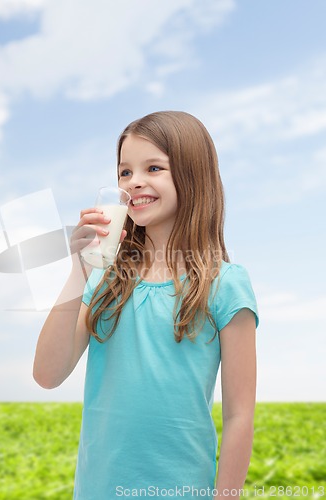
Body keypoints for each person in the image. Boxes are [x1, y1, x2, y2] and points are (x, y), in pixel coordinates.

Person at [33, 111, 259, 500]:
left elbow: (239, 417)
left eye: (153, 167)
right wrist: (78, 271)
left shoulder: (225, 284)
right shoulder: (104, 280)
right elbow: (48, 374)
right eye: (124, 172)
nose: (134, 181)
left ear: (192, 175)